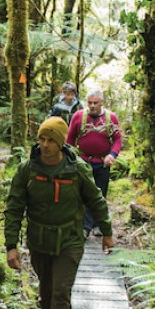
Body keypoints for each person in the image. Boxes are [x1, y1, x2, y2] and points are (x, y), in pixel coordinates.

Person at [5, 117, 113, 309]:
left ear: (61, 143)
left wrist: (107, 231)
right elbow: (14, 207)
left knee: (60, 294)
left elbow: (96, 201)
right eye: (41, 139)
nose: (45, 145)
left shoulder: (77, 170)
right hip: (39, 241)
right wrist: (11, 245)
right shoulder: (27, 170)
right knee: (46, 295)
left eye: (51, 140)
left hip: (69, 241)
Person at [66, 88, 122, 238]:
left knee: (100, 194)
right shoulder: (78, 116)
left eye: (95, 103)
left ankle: (98, 224)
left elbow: (117, 139)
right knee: (84, 194)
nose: (92, 106)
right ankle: (85, 227)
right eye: (89, 103)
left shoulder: (111, 118)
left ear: (102, 102)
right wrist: (69, 158)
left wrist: (112, 155)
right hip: (83, 162)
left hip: (103, 163)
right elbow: (69, 140)